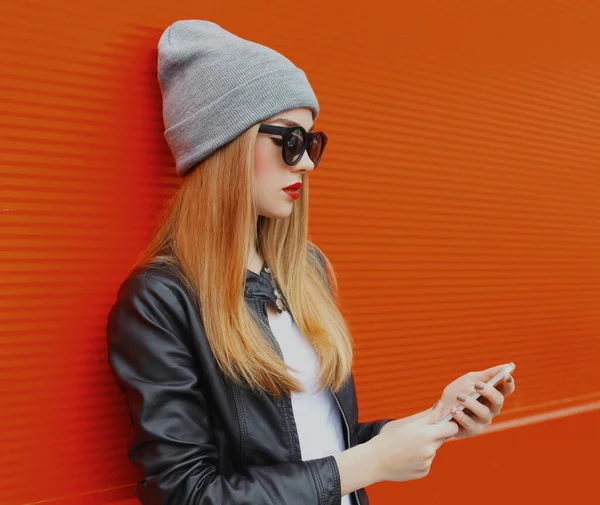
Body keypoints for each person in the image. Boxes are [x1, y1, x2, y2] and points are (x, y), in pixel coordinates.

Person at [105, 19, 516, 505]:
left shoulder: (304, 270)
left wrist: (432, 421)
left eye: (312, 143)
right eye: (291, 142)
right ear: (226, 145)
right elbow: (185, 494)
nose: (306, 163)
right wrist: (371, 464)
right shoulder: (160, 300)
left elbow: (314, 445)